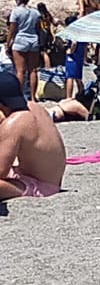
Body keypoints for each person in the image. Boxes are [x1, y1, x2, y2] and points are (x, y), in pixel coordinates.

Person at [0, 70, 66, 199]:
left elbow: (0, 172)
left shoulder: (15, 123)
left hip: (40, 186)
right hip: (49, 180)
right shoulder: (35, 108)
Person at [8, 0, 45, 91]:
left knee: (20, 71)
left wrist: (8, 44)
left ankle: (19, 95)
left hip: (20, 41)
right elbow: (38, 28)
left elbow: (12, 30)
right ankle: (33, 97)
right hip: (33, 41)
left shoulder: (16, 11)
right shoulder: (35, 12)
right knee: (33, 70)